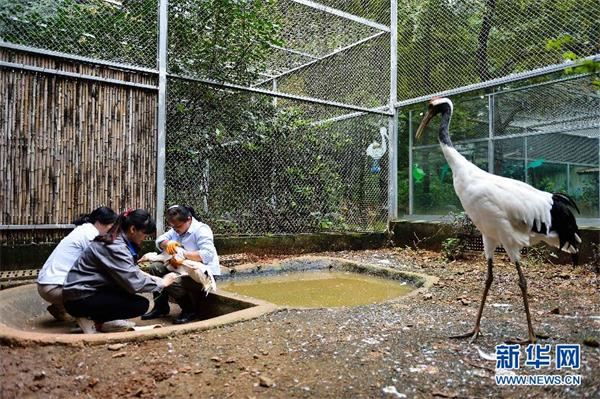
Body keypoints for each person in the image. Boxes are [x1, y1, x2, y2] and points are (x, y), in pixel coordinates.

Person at [62, 209, 177, 333]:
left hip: (81, 292)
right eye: (145, 234)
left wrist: (153, 278)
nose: (145, 238)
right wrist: (163, 283)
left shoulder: (116, 239)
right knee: (140, 305)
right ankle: (92, 320)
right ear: (133, 229)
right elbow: (134, 283)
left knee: (125, 292)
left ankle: (97, 319)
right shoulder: (116, 247)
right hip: (79, 298)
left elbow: (130, 271)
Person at [141, 205, 220, 324]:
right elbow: (159, 240)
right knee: (154, 267)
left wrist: (182, 255)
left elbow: (207, 255)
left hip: (202, 275)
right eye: (172, 227)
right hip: (182, 270)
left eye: (178, 226)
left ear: (189, 219)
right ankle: (160, 307)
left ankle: (189, 310)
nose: (175, 229)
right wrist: (168, 244)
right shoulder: (176, 229)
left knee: (170, 279)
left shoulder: (201, 230)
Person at [37, 206, 118, 321]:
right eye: (111, 226)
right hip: (54, 288)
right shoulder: (91, 235)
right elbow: (103, 264)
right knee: (105, 282)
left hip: (44, 285)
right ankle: (87, 318)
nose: (112, 230)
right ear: (100, 222)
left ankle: (60, 307)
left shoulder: (83, 229)